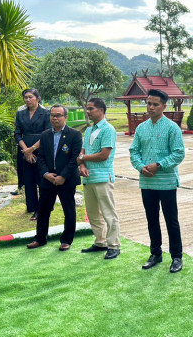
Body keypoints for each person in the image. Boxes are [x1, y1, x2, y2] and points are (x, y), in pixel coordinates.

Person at [129, 89, 186, 273]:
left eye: (155, 104)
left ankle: (176, 257)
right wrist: (141, 167)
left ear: (164, 106)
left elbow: (178, 153)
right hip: (147, 182)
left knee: (171, 220)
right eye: (149, 103)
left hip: (167, 182)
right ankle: (155, 253)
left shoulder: (172, 128)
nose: (151, 107)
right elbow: (134, 151)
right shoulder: (141, 128)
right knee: (151, 219)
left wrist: (159, 165)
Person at [26, 104, 82, 251]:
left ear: (65, 117)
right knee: (43, 210)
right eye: (52, 115)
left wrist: (63, 176)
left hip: (66, 180)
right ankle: (40, 238)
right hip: (48, 179)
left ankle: (66, 240)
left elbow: (75, 159)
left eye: (58, 115)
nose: (54, 118)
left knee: (69, 210)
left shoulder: (75, 134)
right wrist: (46, 174)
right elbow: (41, 157)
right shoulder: (45, 135)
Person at [79, 98, 121, 260]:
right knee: (93, 213)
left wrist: (82, 158)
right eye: (87, 108)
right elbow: (82, 152)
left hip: (103, 177)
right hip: (88, 177)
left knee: (108, 213)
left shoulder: (108, 129)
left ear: (101, 110)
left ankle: (114, 245)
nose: (88, 111)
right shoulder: (89, 130)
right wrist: (82, 166)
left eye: (91, 109)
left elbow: (104, 155)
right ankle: (100, 242)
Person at [14, 88, 51, 220]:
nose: (28, 99)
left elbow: (48, 133)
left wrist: (32, 149)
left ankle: (42, 208)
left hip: (41, 148)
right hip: (24, 149)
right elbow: (17, 133)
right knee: (28, 180)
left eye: (30, 97)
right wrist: (26, 150)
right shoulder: (20, 113)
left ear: (38, 98)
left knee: (42, 179)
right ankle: (32, 207)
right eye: (26, 97)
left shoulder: (46, 113)